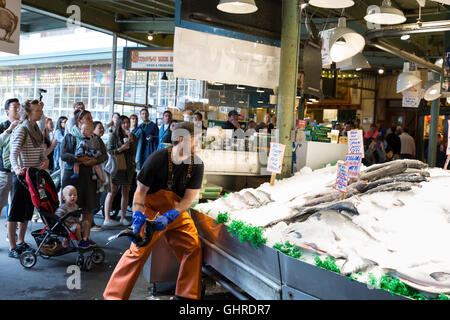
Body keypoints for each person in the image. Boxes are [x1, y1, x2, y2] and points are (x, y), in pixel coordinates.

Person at [103, 122, 204, 300]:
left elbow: (188, 199)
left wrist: (170, 216)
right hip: (150, 209)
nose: (198, 144)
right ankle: (114, 296)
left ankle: (188, 295)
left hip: (176, 211)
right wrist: (137, 217)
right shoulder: (158, 158)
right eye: (196, 139)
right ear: (182, 139)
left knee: (193, 246)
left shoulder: (197, 164)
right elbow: (140, 192)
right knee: (138, 250)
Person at [61, 109, 107, 247]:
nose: (91, 120)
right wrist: (78, 159)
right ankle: (67, 237)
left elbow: (104, 155)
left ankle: (85, 238)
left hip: (89, 178)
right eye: (88, 118)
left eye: (91, 118)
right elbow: (63, 155)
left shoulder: (95, 138)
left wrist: (93, 161)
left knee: (88, 207)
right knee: (70, 208)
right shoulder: (69, 137)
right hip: (72, 177)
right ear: (80, 121)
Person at [8, 99, 49, 258]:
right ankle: (13, 247)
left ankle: (20, 241)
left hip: (33, 176)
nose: (40, 113)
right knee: (15, 213)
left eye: (40, 110)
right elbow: (13, 153)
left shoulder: (36, 129)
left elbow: (40, 153)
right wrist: (17, 168)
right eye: (37, 110)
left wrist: (45, 160)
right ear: (29, 113)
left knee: (27, 211)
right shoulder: (22, 129)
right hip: (21, 177)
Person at [103, 115, 137, 227]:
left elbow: (133, 153)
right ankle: (107, 218)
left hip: (128, 168)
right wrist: (121, 148)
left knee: (126, 192)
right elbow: (109, 151)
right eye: (123, 123)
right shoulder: (114, 136)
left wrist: (131, 141)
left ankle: (123, 218)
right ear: (119, 124)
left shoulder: (132, 136)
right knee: (111, 191)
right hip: (116, 167)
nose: (126, 125)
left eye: (127, 122)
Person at [0, 98, 20, 219]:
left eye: (19, 106)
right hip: (5, 170)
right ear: (7, 111)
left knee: (15, 203)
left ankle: (11, 231)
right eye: (15, 107)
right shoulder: (3, 125)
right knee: (1, 201)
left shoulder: (23, 126)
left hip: (19, 170)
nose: (18, 109)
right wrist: (10, 129)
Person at [71, 122, 105, 188]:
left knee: (77, 163)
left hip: (87, 154)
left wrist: (78, 154)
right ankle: (101, 179)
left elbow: (81, 148)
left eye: (86, 129)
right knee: (96, 166)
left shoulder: (86, 140)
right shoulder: (94, 138)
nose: (83, 131)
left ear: (92, 130)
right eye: (82, 129)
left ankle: (76, 173)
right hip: (93, 154)